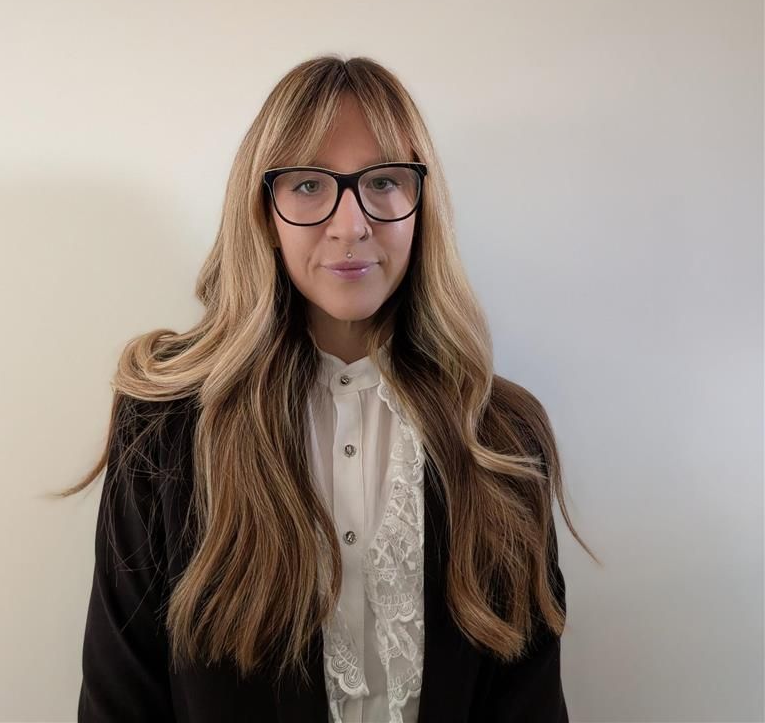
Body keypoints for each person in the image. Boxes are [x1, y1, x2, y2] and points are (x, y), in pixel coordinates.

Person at [58, 55, 598, 722]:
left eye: (385, 181)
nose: (351, 225)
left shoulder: (502, 437)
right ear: (264, 211)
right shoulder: (164, 427)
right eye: (310, 185)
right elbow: (119, 704)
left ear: (423, 205)